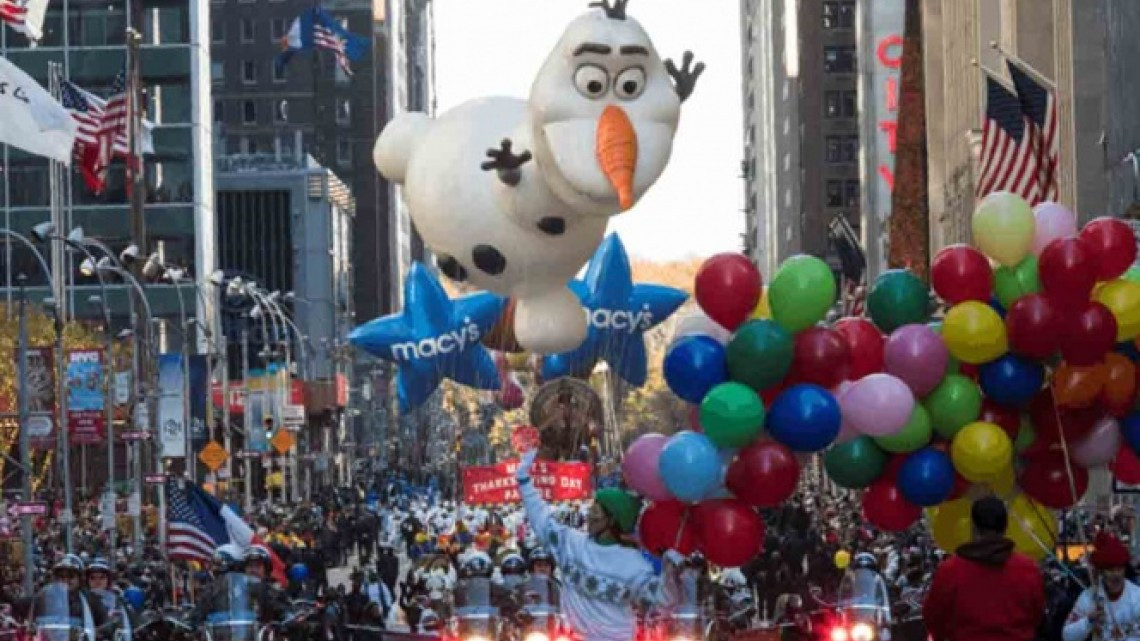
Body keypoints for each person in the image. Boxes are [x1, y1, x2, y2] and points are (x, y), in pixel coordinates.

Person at [516, 448, 683, 641]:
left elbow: (662, 602)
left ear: (612, 520)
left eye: (596, 510)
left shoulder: (634, 564)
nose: (589, 515)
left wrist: (671, 573)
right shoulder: (571, 544)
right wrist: (524, 480)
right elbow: (541, 518)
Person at [923, 496, 1045, 641]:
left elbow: (934, 618)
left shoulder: (951, 570)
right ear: (1006, 526)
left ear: (973, 527)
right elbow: (1037, 615)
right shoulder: (1028, 568)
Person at [1062, 531, 1140, 641]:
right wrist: (1088, 621)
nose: (1116, 575)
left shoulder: (1136, 597)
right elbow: (1067, 636)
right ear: (1101, 572)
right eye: (1111, 570)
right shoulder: (1088, 597)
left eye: (1119, 569)